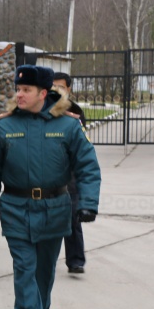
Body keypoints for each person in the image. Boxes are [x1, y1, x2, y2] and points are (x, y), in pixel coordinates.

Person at [0, 65, 101, 309]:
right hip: (16, 207)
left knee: (45, 270)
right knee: (24, 268)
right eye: (17, 89)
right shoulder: (4, 126)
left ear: (43, 93)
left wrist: (88, 203)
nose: (19, 94)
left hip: (55, 207)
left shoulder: (68, 126)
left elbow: (88, 167)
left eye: (26, 90)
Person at [53, 71, 88, 274]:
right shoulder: (42, 109)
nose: (56, 90)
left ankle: (75, 260)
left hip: (70, 174)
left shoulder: (75, 112)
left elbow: (82, 146)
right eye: (53, 86)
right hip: (49, 172)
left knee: (72, 217)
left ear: (69, 89)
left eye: (60, 87)